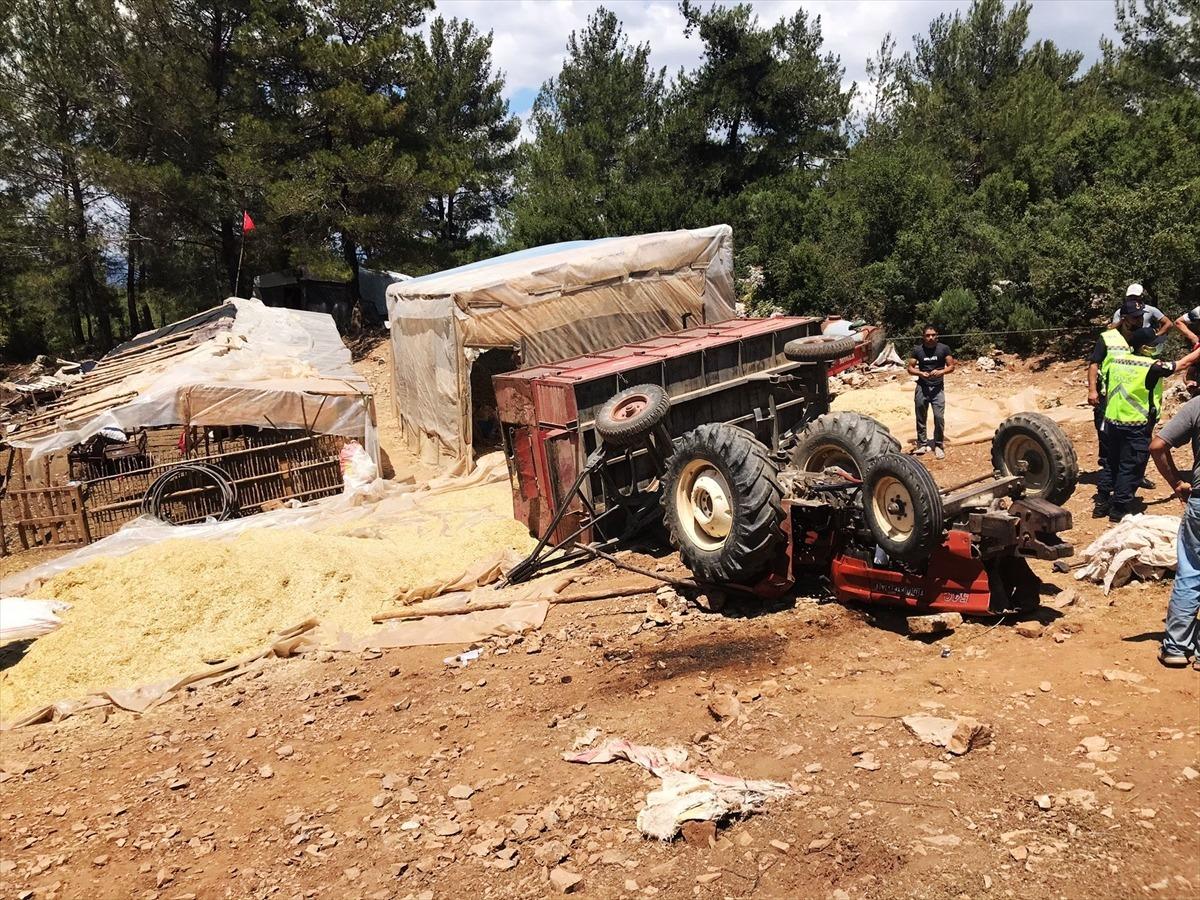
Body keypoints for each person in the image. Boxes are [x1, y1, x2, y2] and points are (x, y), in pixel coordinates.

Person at [1093, 326, 1178, 521]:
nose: (1158, 348)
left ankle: (1102, 502)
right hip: (1136, 424)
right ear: (1145, 347)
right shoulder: (1152, 366)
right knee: (1130, 465)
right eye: (1154, 345)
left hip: (1112, 421)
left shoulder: (1115, 361)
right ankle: (1119, 508)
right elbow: (1180, 365)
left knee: (1111, 462)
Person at [1149, 396, 1200, 669]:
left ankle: (1176, 648)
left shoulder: (1196, 406)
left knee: (1192, 571)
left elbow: (1157, 445)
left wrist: (1177, 483)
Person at [1090, 300, 1146, 472]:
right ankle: (1109, 474)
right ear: (1124, 318)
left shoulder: (1143, 337)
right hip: (1109, 395)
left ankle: (1132, 475)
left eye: (1141, 316)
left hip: (1133, 396)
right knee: (1107, 434)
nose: (1139, 320)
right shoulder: (1108, 338)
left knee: (1133, 438)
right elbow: (1094, 364)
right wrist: (1092, 390)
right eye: (1135, 317)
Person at [907, 325, 955, 459]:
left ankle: (938, 445)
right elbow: (910, 368)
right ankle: (922, 444)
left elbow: (951, 366)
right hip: (922, 387)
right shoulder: (917, 350)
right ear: (923, 336)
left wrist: (940, 372)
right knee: (921, 416)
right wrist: (920, 373)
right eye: (927, 335)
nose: (930, 337)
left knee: (939, 417)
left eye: (933, 335)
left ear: (937, 335)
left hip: (938, 387)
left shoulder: (943, 348)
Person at [1109, 283, 1197, 343]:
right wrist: (1122, 320)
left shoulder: (1151, 310)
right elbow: (1112, 330)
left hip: (1145, 346)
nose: (1133, 298)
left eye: (1135, 296)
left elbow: (1168, 323)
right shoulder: (1120, 312)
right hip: (1126, 343)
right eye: (1131, 296)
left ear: (1141, 296)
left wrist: (1155, 336)